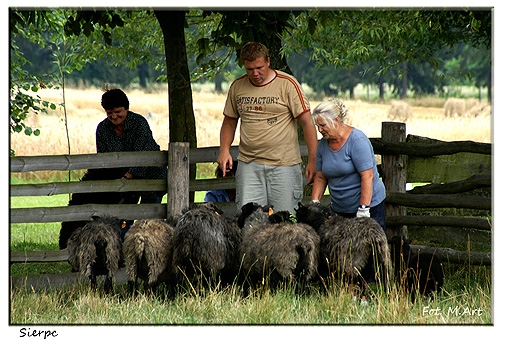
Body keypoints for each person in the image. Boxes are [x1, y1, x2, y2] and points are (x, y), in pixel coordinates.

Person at [216, 42, 317, 213]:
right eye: (249, 69)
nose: (255, 73)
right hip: (249, 165)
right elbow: (229, 122)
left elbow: (307, 123)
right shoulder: (237, 87)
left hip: (284, 165)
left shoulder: (288, 84)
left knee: (285, 223)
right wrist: (224, 150)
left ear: (268, 61)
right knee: (249, 221)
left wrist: (314, 161)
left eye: (259, 67)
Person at [96, 88, 167, 237]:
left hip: (150, 177)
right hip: (123, 183)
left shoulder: (139, 123)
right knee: (121, 220)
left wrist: (129, 176)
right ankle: (122, 253)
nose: (114, 116)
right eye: (109, 113)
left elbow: (145, 153)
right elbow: (103, 159)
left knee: (148, 221)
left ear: (126, 108)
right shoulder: (102, 129)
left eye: (118, 111)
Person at [310, 99, 387, 232]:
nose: (320, 130)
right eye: (318, 126)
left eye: (322, 125)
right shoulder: (323, 145)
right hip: (340, 210)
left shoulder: (357, 141)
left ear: (336, 121)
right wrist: (314, 204)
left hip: (368, 206)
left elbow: (367, 176)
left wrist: (363, 209)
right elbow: (321, 177)